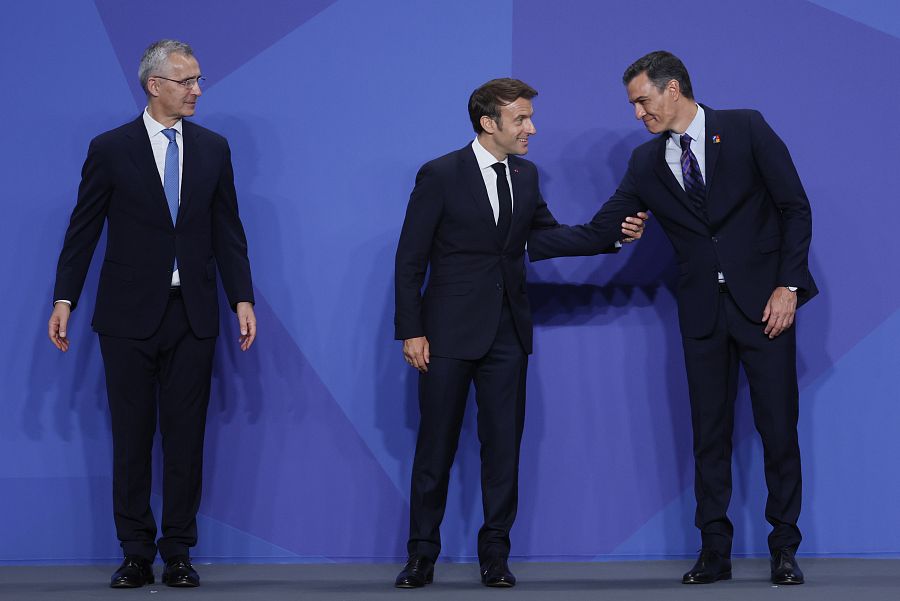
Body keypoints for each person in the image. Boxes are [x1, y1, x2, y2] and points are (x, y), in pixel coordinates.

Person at [528, 51, 816, 586]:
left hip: (766, 308)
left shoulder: (745, 127)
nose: (638, 113)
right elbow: (600, 229)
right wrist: (522, 240)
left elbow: (794, 207)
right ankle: (714, 551)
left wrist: (789, 285)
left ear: (673, 89)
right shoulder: (645, 163)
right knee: (709, 434)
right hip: (702, 315)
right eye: (633, 104)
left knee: (778, 429)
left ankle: (784, 549)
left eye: (643, 101)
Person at [393, 78, 647, 588]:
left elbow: (547, 237)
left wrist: (610, 235)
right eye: (521, 119)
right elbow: (409, 258)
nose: (532, 128)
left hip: (508, 334)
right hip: (444, 335)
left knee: (503, 449)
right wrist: (411, 330)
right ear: (489, 124)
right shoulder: (440, 174)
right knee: (435, 449)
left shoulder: (527, 176)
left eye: (530, 117)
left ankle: (495, 557)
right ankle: (422, 555)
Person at [47, 39, 256, 589]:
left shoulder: (213, 148)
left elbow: (228, 230)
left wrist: (242, 298)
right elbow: (83, 228)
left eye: (198, 80)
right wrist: (64, 297)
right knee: (132, 438)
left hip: (192, 316)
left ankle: (179, 553)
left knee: (186, 441)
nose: (196, 91)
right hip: (126, 318)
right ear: (154, 85)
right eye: (186, 81)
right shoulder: (111, 147)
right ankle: (136, 553)